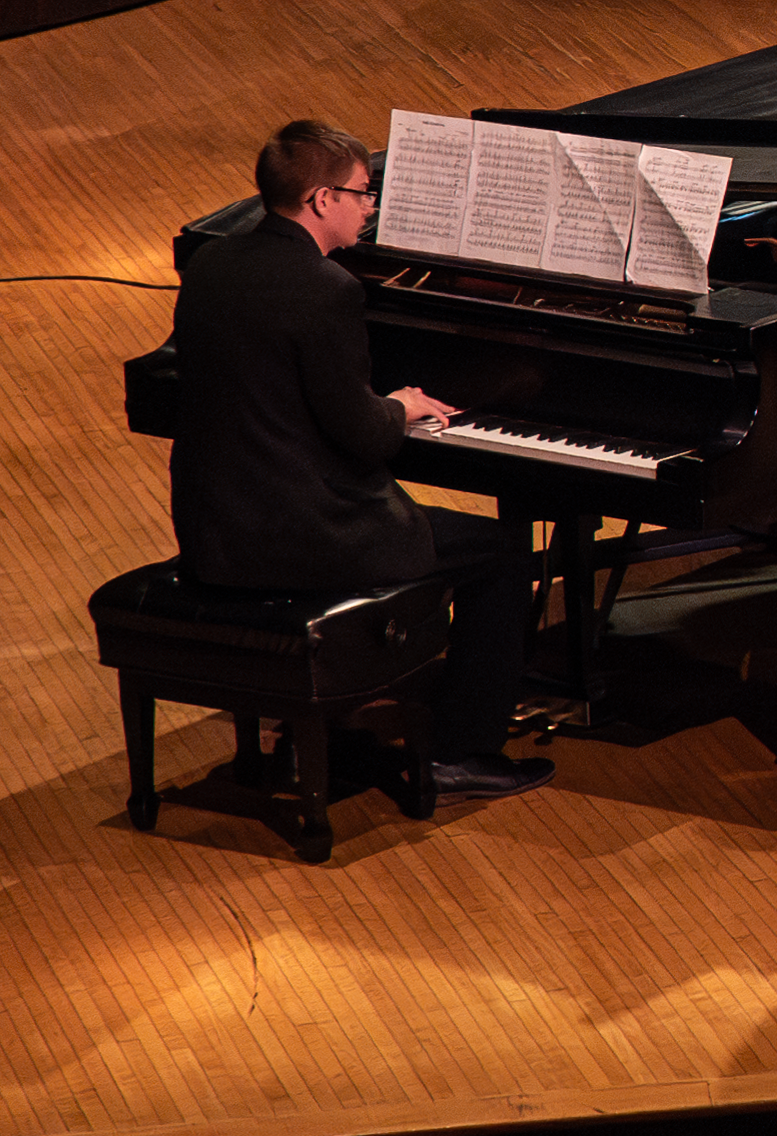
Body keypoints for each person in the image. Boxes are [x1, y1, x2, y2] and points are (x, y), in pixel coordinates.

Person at [167, 120, 553, 805]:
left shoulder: (211, 264)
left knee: (462, 540)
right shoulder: (327, 288)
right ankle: (463, 750)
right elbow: (363, 437)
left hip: (215, 529)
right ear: (321, 199)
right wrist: (399, 406)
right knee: (499, 553)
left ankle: (328, 724)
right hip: (308, 533)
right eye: (362, 194)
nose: (370, 208)